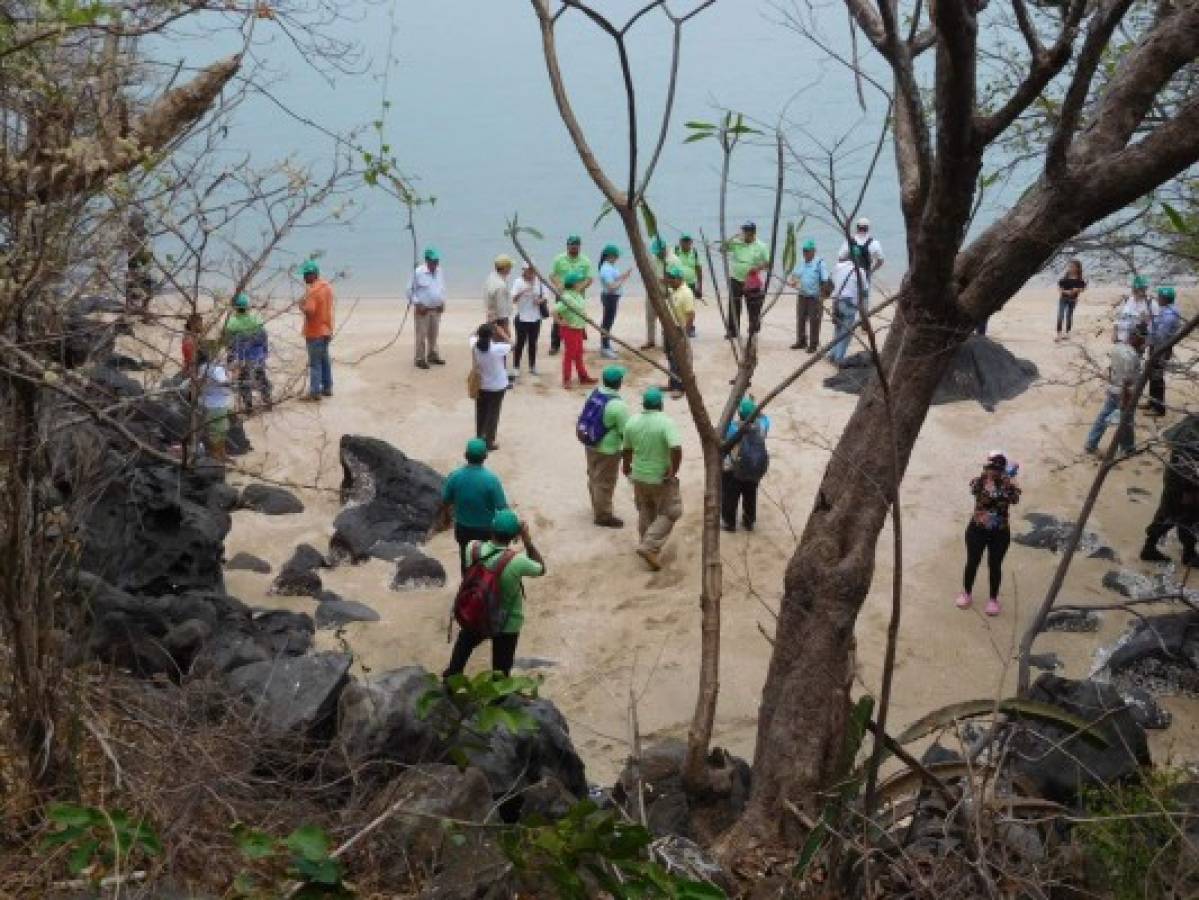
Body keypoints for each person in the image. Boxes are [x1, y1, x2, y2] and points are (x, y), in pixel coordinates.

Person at [443, 510, 546, 678]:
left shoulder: (472, 548)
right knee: (501, 670)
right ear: (515, 537)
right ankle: (498, 697)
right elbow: (541, 568)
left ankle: (452, 676)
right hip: (507, 622)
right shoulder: (517, 561)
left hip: (476, 611)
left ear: (491, 530)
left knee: (464, 644)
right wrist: (527, 540)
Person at [623, 387, 683, 571]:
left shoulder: (632, 421)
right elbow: (676, 448)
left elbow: (626, 449)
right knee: (672, 511)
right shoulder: (666, 422)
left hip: (638, 475)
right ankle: (649, 546)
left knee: (645, 508)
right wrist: (673, 471)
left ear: (644, 405)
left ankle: (646, 542)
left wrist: (626, 467)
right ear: (661, 405)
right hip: (659, 477)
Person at [956, 451, 1021, 617]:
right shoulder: (978, 483)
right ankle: (967, 593)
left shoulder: (1009, 486)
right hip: (977, 530)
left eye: (996, 469)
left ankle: (993, 599)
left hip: (1000, 532)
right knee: (972, 561)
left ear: (1002, 470)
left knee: (995, 565)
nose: (991, 471)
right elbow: (977, 492)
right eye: (989, 468)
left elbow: (1014, 499)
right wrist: (992, 485)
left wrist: (1008, 482)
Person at [436, 439, 510, 573]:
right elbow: (503, 509)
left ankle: (467, 588)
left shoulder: (455, 477)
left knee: (466, 561)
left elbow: (445, 502)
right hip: (486, 530)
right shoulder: (492, 480)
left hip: (463, 529)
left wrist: (446, 518)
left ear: (465, 455)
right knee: (487, 563)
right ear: (485, 456)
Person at [1141, 415, 1199, 566]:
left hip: (1176, 479)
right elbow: (1188, 465)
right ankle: (1187, 553)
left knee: (1172, 514)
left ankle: (1187, 551)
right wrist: (1189, 491)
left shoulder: (1190, 422)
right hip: (1185, 484)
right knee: (1182, 516)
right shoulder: (1192, 436)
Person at [580, 366, 631, 527]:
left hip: (590, 442)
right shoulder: (618, 406)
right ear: (619, 383)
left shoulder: (594, 393)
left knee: (593, 475)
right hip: (608, 450)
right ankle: (603, 515)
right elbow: (626, 433)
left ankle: (597, 504)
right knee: (605, 482)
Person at [1084, 324, 1146, 455]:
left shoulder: (1117, 348)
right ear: (1135, 338)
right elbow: (1127, 381)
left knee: (1103, 416)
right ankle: (1127, 448)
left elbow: (1111, 369)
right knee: (1126, 422)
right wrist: (1125, 401)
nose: (1144, 344)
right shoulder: (1132, 356)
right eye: (1143, 340)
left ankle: (1091, 442)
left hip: (1113, 388)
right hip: (1125, 393)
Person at [722, 398, 770, 532]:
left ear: (740, 413)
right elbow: (766, 418)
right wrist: (756, 409)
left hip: (735, 468)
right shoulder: (762, 426)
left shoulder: (732, 427)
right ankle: (748, 522)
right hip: (754, 467)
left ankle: (729, 523)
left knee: (730, 496)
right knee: (750, 494)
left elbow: (722, 436)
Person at [224, 293, 270, 412]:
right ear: (248, 307)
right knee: (261, 377)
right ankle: (267, 401)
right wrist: (265, 352)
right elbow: (264, 337)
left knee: (244, 381)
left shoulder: (232, 323)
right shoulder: (256, 320)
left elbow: (230, 344)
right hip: (258, 356)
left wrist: (230, 359)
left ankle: (249, 406)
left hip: (242, 358)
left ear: (235, 308)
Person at [549, 235, 593, 355]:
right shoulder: (559, 259)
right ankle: (555, 345)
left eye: (576, 246)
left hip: (579, 294)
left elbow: (589, 278)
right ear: (567, 246)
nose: (573, 248)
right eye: (571, 245)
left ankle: (578, 343)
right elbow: (552, 275)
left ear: (579, 246)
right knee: (559, 317)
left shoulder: (585, 260)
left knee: (579, 316)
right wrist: (558, 285)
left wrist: (580, 288)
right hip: (562, 294)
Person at [471, 323, 510, 451]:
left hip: (482, 385)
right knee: (493, 413)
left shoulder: (475, 345)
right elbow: (513, 344)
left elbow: (471, 336)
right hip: (497, 386)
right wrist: (502, 333)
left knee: (481, 411)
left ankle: (479, 436)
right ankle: (489, 441)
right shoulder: (497, 349)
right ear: (492, 335)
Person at [555, 271, 596, 389]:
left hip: (579, 328)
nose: (582, 283)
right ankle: (566, 379)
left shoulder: (577, 294)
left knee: (579, 354)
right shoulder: (566, 297)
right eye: (579, 281)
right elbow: (554, 311)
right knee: (570, 355)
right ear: (574, 284)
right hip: (570, 329)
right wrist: (560, 321)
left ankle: (583, 377)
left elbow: (581, 311)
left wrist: (588, 319)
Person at [727, 221, 769, 338]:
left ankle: (753, 328)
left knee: (753, 306)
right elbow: (723, 249)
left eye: (747, 231)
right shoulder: (737, 243)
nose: (744, 234)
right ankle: (733, 331)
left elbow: (768, 263)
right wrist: (733, 237)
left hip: (752, 281)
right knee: (734, 305)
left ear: (753, 233)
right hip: (736, 278)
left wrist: (758, 268)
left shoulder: (761, 246)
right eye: (743, 231)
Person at [299, 260, 334, 401]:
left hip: (315, 332)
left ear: (313, 275)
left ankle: (315, 392)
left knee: (315, 363)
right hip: (326, 329)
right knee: (324, 360)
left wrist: (301, 306)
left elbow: (310, 312)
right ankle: (327, 387)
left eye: (306, 275)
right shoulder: (327, 287)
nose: (304, 278)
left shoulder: (313, 291)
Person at [788, 238, 831, 351]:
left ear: (813, 251)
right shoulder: (802, 263)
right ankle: (801, 341)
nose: (805, 253)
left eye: (807, 251)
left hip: (814, 298)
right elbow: (795, 275)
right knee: (801, 318)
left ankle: (813, 345)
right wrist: (792, 281)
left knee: (814, 321)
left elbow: (825, 280)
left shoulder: (820, 263)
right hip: (802, 295)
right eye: (804, 250)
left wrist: (822, 297)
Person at [409, 247, 447, 370]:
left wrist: (442, 302)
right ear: (427, 260)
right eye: (433, 261)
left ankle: (432, 355)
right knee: (421, 334)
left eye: (437, 261)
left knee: (434, 334)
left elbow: (441, 287)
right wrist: (418, 304)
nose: (435, 263)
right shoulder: (418, 272)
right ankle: (419, 358)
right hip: (423, 310)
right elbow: (409, 291)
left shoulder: (440, 271)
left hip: (436, 309)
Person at [1146, 286, 1181, 416]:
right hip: (1158, 346)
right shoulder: (1167, 310)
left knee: (1158, 377)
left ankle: (1159, 408)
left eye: (1160, 296)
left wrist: (1149, 332)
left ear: (1165, 299)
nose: (1158, 298)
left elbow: (1161, 335)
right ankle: (1152, 402)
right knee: (1152, 375)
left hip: (1161, 348)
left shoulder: (1170, 315)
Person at [664, 266, 695, 399]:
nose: (669, 281)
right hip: (669, 327)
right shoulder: (672, 290)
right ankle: (672, 383)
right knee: (670, 356)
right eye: (669, 278)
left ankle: (679, 387)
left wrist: (685, 333)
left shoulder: (686, 293)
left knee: (678, 359)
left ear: (679, 279)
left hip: (679, 329)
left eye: (671, 278)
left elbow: (691, 314)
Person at [196, 347, 233, 462]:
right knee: (219, 431)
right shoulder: (216, 369)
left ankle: (220, 454)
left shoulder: (202, 367)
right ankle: (217, 455)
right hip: (217, 405)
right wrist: (233, 374)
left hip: (207, 403)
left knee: (217, 430)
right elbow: (226, 383)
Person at [511, 261, 547, 376]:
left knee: (533, 343)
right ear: (524, 270)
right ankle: (516, 366)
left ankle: (532, 366)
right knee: (520, 343)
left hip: (536, 318)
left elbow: (546, 297)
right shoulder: (518, 282)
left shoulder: (540, 281)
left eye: (533, 270)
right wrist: (522, 292)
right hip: (522, 317)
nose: (531, 273)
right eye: (529, 270)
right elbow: (513, 299)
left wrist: (540, 300)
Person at [828, 249, 864, 365]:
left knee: (838, 329)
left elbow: (831, 281)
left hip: (836, 301)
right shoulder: (860, 271)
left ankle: (832, 354)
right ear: (858, 258)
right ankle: (839, 358)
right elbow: (864, 290)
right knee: (846, 332)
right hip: (849, 303)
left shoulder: (838, 266)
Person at [645, 237, 680, 349]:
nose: (658, 255)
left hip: (668, 293)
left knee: (667, 319)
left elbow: (679, 279)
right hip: (654, 291)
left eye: (659, 253)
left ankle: (667, 342)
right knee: (650, 317)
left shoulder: (674, 260)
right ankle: (650, 340)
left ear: (664, 249)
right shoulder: (654, 259)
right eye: (656, 253)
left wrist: (666, 280)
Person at [837, 217, 885, 302]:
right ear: (868, 228)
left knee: (851, 299)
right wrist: (871, 271)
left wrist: (846, 267)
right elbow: (881, 261)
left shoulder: (850, 242)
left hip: (850, 276)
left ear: (857, 227)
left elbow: (840, 258)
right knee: (864, 300)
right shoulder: (874, 243)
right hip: (866, 276)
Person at [598, 244, 631, 359]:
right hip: (609, 297)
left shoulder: (610, 266)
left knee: (608, 322)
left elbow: (615, 278)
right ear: (609, 256)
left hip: (612, 297)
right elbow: (611, 286)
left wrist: (623, 275)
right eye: (615, 256)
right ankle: (604, 347)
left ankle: (606, 345)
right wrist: (624, 280)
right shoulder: (605, 268)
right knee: (607, 322)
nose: (617, 258)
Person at [1113, 275, 1157, 344]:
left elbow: (1154, 325)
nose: (1137, 291)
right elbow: (1118, 317)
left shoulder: (1151, 303)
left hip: (1136, 341)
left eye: (1140, 289)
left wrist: (1147, 342)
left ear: (1145, 289)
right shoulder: (1128, 300)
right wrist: (1115, 333)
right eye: (1135, 289)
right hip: (1121, 339)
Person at [1055, 259, 1087, 341]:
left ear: (1077, 268)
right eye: (1069, 267)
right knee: (1060, 315)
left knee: (1069, 316)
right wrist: (1067, 291)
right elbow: (1060, 288)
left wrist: (1077, 290)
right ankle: (1059, 334)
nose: (1070, 268)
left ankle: (1067, 333)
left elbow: (1083, 289)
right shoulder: (1064, 278)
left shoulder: (1080, 280)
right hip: (1063, 299)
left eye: (1072, 267)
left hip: (1073, 300)